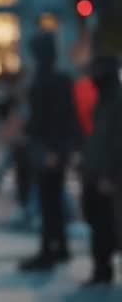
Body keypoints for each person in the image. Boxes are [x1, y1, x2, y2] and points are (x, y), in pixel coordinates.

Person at [19, 31, 80, 271]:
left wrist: (53, 149)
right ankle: (59, 247)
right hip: (50, 147)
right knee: (52, 199)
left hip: (48, 148)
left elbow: (56, 118)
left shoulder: (49, 80)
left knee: (48, 201)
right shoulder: (56, 78)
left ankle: (49, 250)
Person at [80, 56, 122, 286]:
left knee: (109, 224)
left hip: (109, 176)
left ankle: (103, 268)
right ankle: (101, 268)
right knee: (98, 223)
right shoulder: (104, 101)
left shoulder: (115, 102)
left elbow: (116, 142)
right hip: (96, 171)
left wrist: (109, 173)